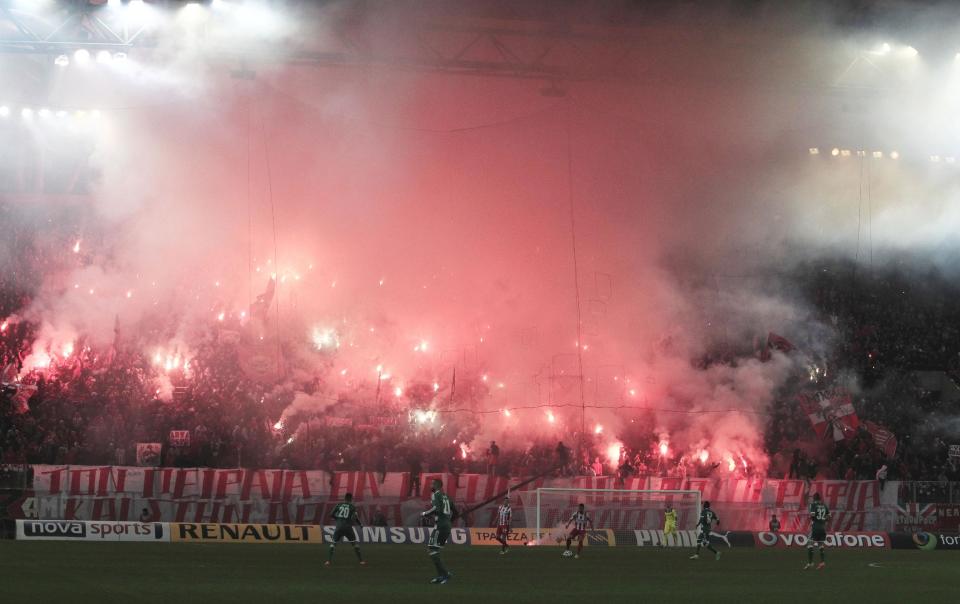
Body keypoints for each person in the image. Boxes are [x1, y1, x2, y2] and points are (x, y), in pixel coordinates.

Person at [422, 478, 453, 584]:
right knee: (435, 550)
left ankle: (445, 574)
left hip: (439, 526)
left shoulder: (436, 494)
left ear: (437, 486)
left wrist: (425, 513)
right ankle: (441, 575)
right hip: (447, 526)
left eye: (432, 484)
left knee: (432, 549)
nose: (431, 486)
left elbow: (437, 509)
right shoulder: (446, 496)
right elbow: (455, 510)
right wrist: (448, 520)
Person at [325, 493, 366, 567]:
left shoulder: (339, 505)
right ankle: (361, 561)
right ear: (351, 499)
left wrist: (337, 519)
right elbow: (355, 517)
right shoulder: (352, 507)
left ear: (344, 498)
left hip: (339, 527)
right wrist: (360, 524)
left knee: (333, 544)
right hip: (348, 528)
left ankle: (328, 561)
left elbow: (331, 514)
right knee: (354, 544)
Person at [805, 492, 830, 570]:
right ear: (820, 498)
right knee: (821, 545)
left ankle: (810, 562)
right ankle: (822, 562)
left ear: (814, 498)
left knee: (809, 544)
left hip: (815, 527)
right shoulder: (824, 505)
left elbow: (812, 516)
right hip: (823, 528)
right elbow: (829, 516)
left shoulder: (813, 505)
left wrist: (814, 520)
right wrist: (823, 521)